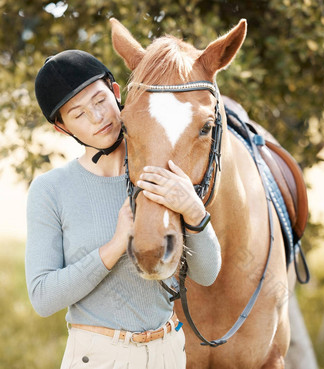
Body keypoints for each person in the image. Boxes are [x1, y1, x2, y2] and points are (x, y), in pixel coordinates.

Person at [26, 49, 222, 369]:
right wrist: (115, 246)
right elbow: (43, 297)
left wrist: (194, 211)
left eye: (99, 100)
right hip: (98, 357)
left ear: (116, 92)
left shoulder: (160, 171)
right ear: (62, 128)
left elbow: (207, 274)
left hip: (169, 353)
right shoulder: (50, 190)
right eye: (78, 114)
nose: (97, 117)